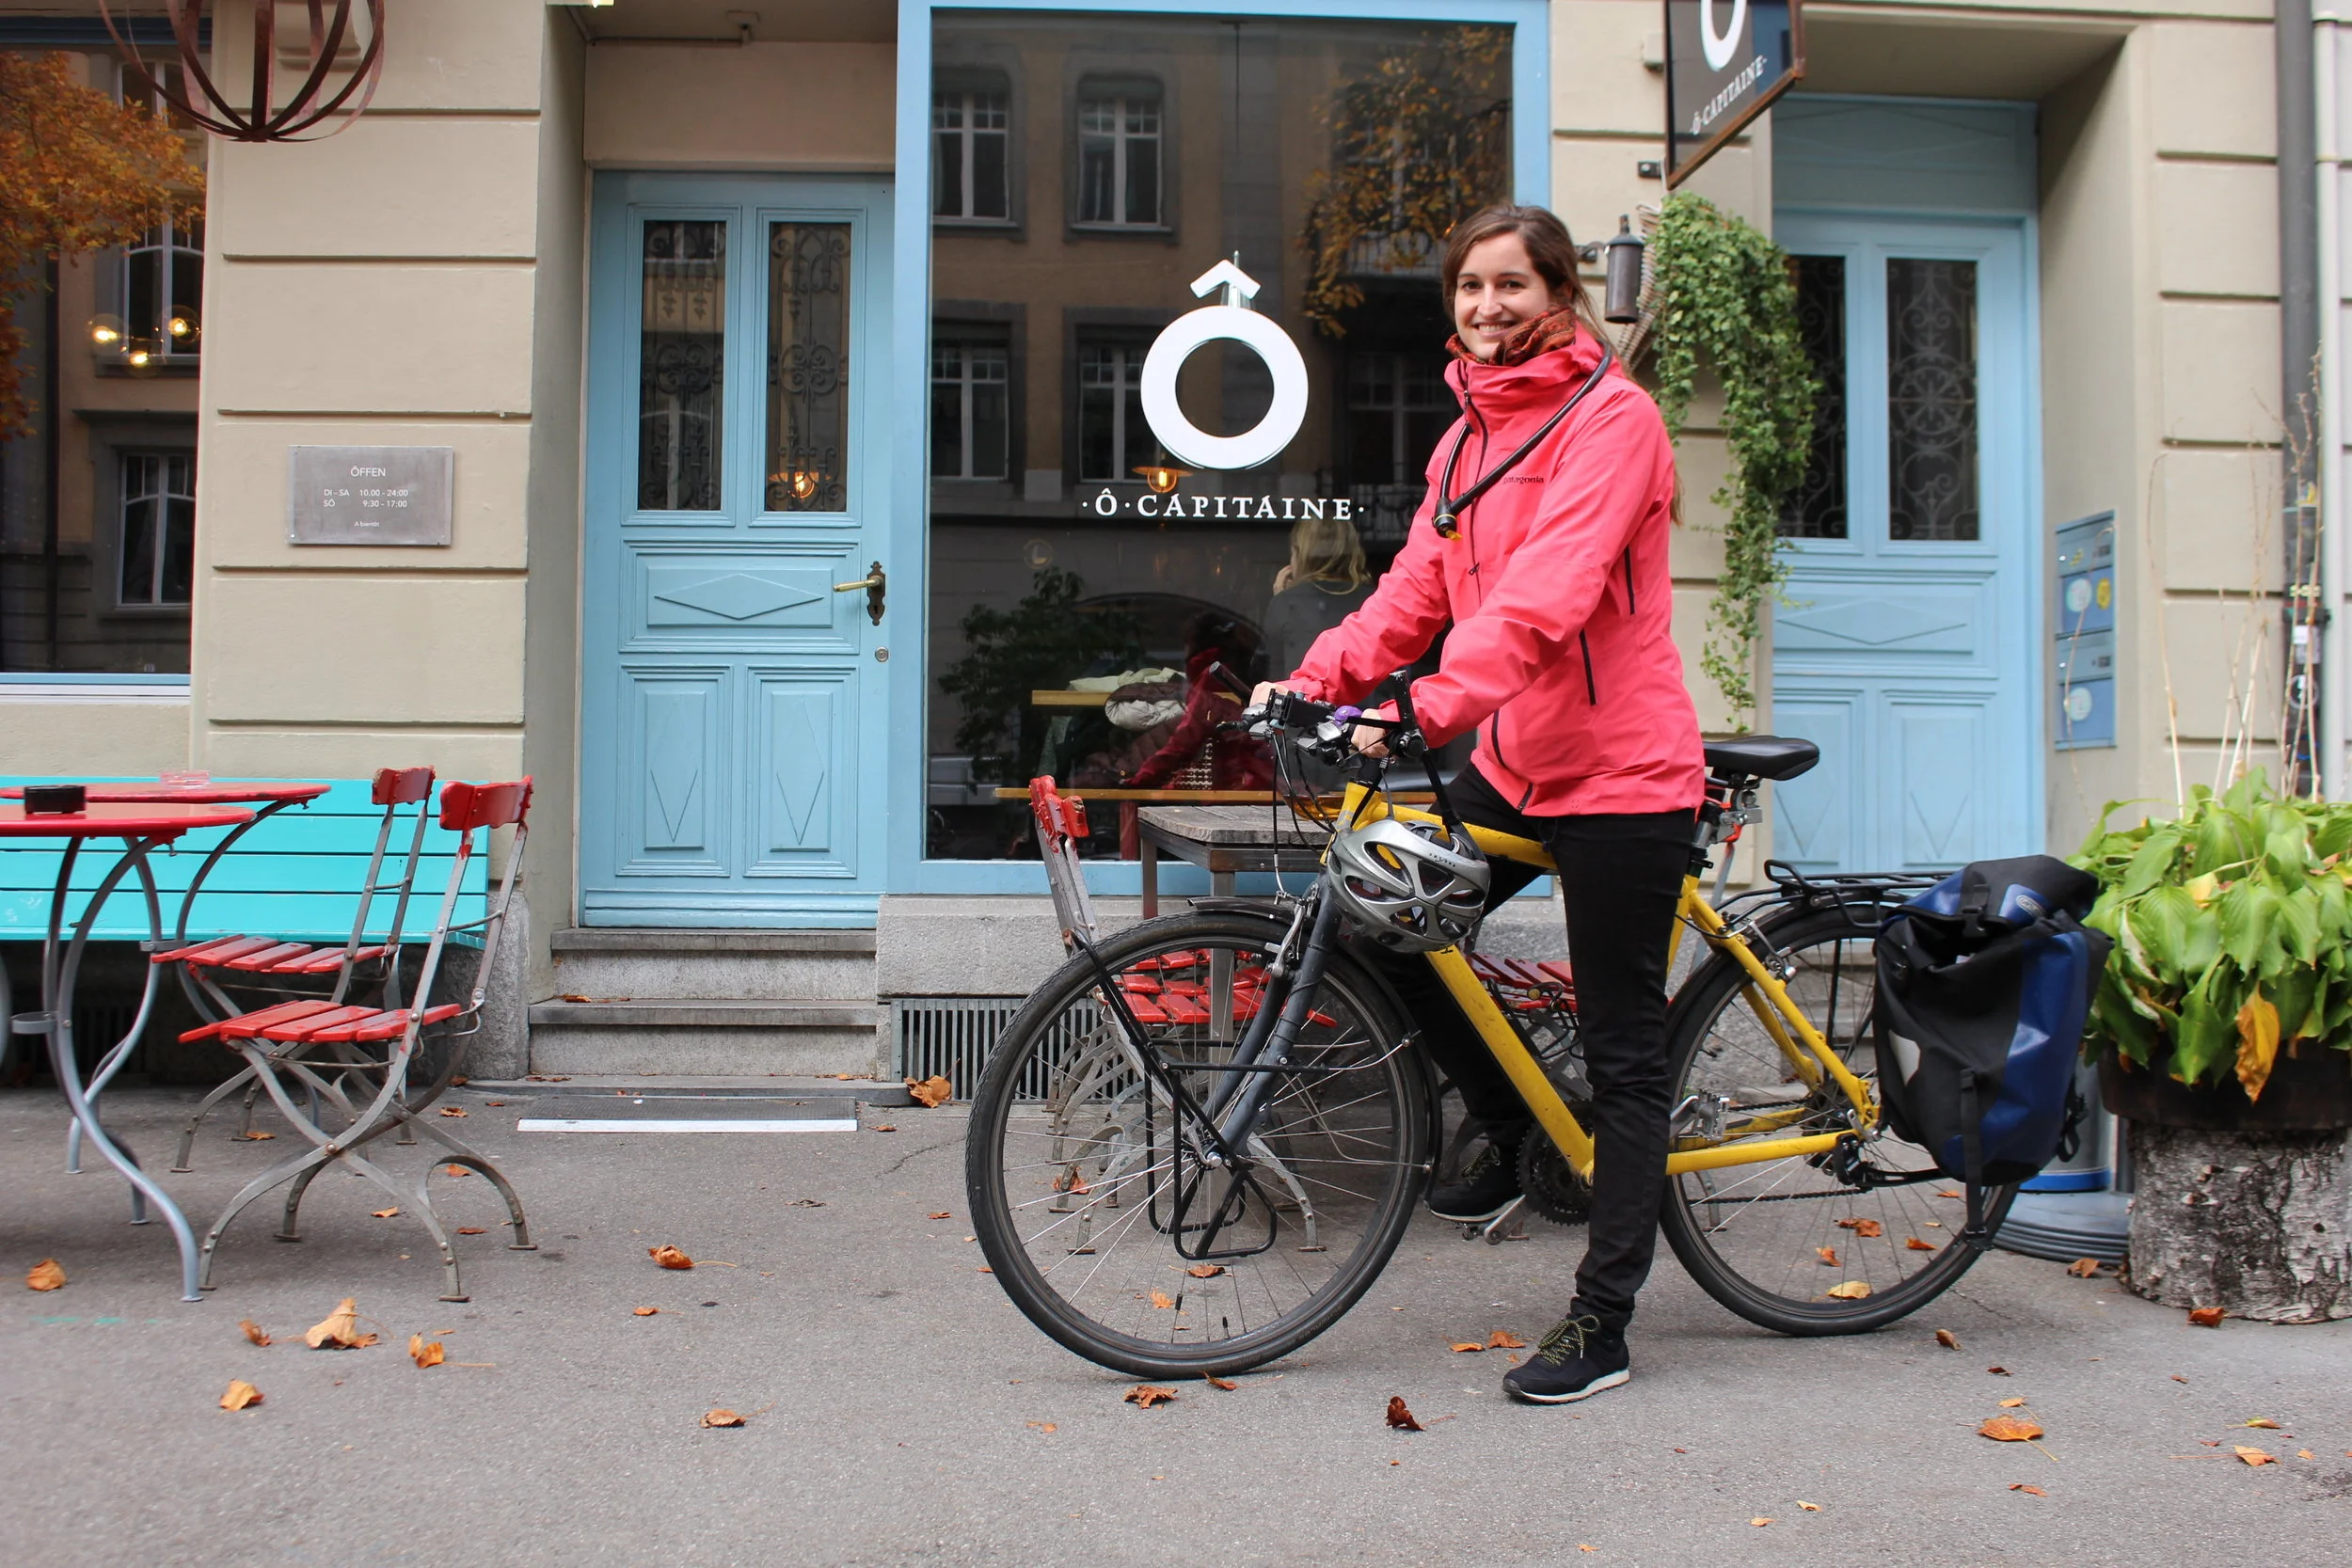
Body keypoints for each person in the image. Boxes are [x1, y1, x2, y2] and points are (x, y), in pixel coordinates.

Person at [1253, 204, 1704, 1407]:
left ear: (1562, 295)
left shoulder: (1615, 422)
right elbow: (1413, 591)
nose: (1487, 307)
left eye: (1512, 285)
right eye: (1468, 287)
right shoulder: (1463, 443)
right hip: (1512, 756)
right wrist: (1314, 679)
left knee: (1623, 1051)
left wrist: (1425, 708)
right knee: (1378, 929)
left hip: (1619, 770)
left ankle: (1603, 1319)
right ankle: (1511, 1133)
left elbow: (1544, 599)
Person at [1260, 513, 1375, 679]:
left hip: (1302, 702)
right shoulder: (1375, 602)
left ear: (1300, 555)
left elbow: (1266, 673)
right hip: (1363, 706)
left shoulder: (1285, 604)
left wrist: (1282, 601)